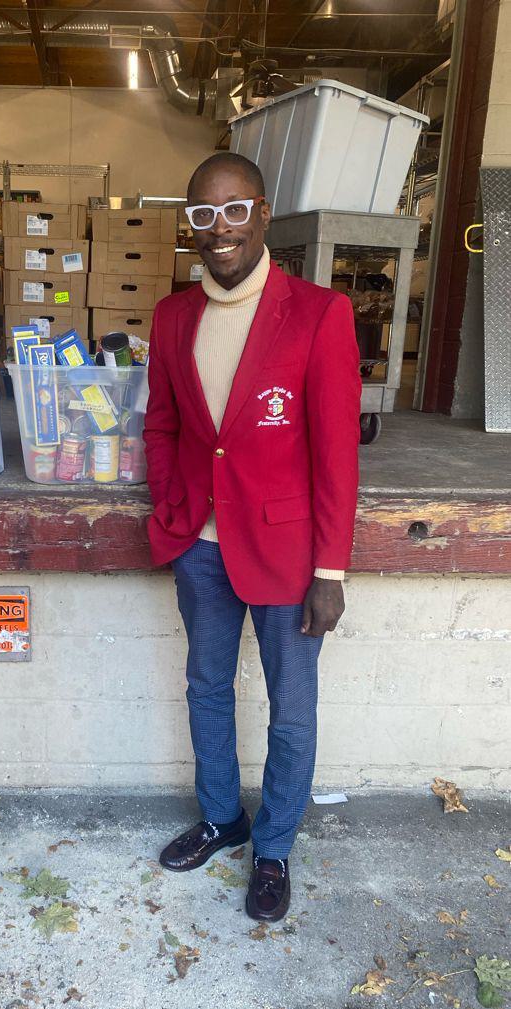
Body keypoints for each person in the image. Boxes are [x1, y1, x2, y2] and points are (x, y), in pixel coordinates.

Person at [143, 152, 361, 922]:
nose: (220, 227)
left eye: (235, 209)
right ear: (191, 225)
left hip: (289, 553)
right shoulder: (172, 318)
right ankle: (221, 818)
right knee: (206, 687)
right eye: (204, 213)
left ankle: (272, 848)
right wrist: (172, 507)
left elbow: (335, 450)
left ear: (263, 215)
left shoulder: (319, 313)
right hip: (198, 545)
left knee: (290, 709)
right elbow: (164, 424)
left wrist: (330, 568)